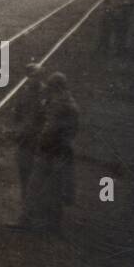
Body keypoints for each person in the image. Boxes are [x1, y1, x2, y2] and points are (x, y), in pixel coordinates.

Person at [21, 72, 79, 235]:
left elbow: (50, 129)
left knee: (37, 186)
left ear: (56, 88)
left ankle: (29, 221)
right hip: (61, 151)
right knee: (55, 189)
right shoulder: (69, 103)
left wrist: (39, 142)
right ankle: (51, 225)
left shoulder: (59, 105)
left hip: (51, 151)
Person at [10, 64, 46, 205]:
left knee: (36, 175)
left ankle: (33, 210)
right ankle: (27, 208)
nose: (31, 80)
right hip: (24, 137)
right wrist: (17, 128)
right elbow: (17, 112)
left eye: (35, 77)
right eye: (30, 77)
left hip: (38, 140)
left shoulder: (45, 93)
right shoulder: (25, 92)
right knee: (24, 172)